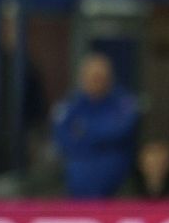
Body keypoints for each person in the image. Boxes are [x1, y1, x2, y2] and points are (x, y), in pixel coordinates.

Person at [52, 52, 140, 199]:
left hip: (117, 189)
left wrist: (84, 131)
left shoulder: (123, 102)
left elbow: (120, 131)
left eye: (100, 77)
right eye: (92, 77)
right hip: (74, 188)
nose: (96, 81)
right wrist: (100, 134)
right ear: (82, 77)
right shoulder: (70, 104)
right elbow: (62, 139)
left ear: (110, 78)